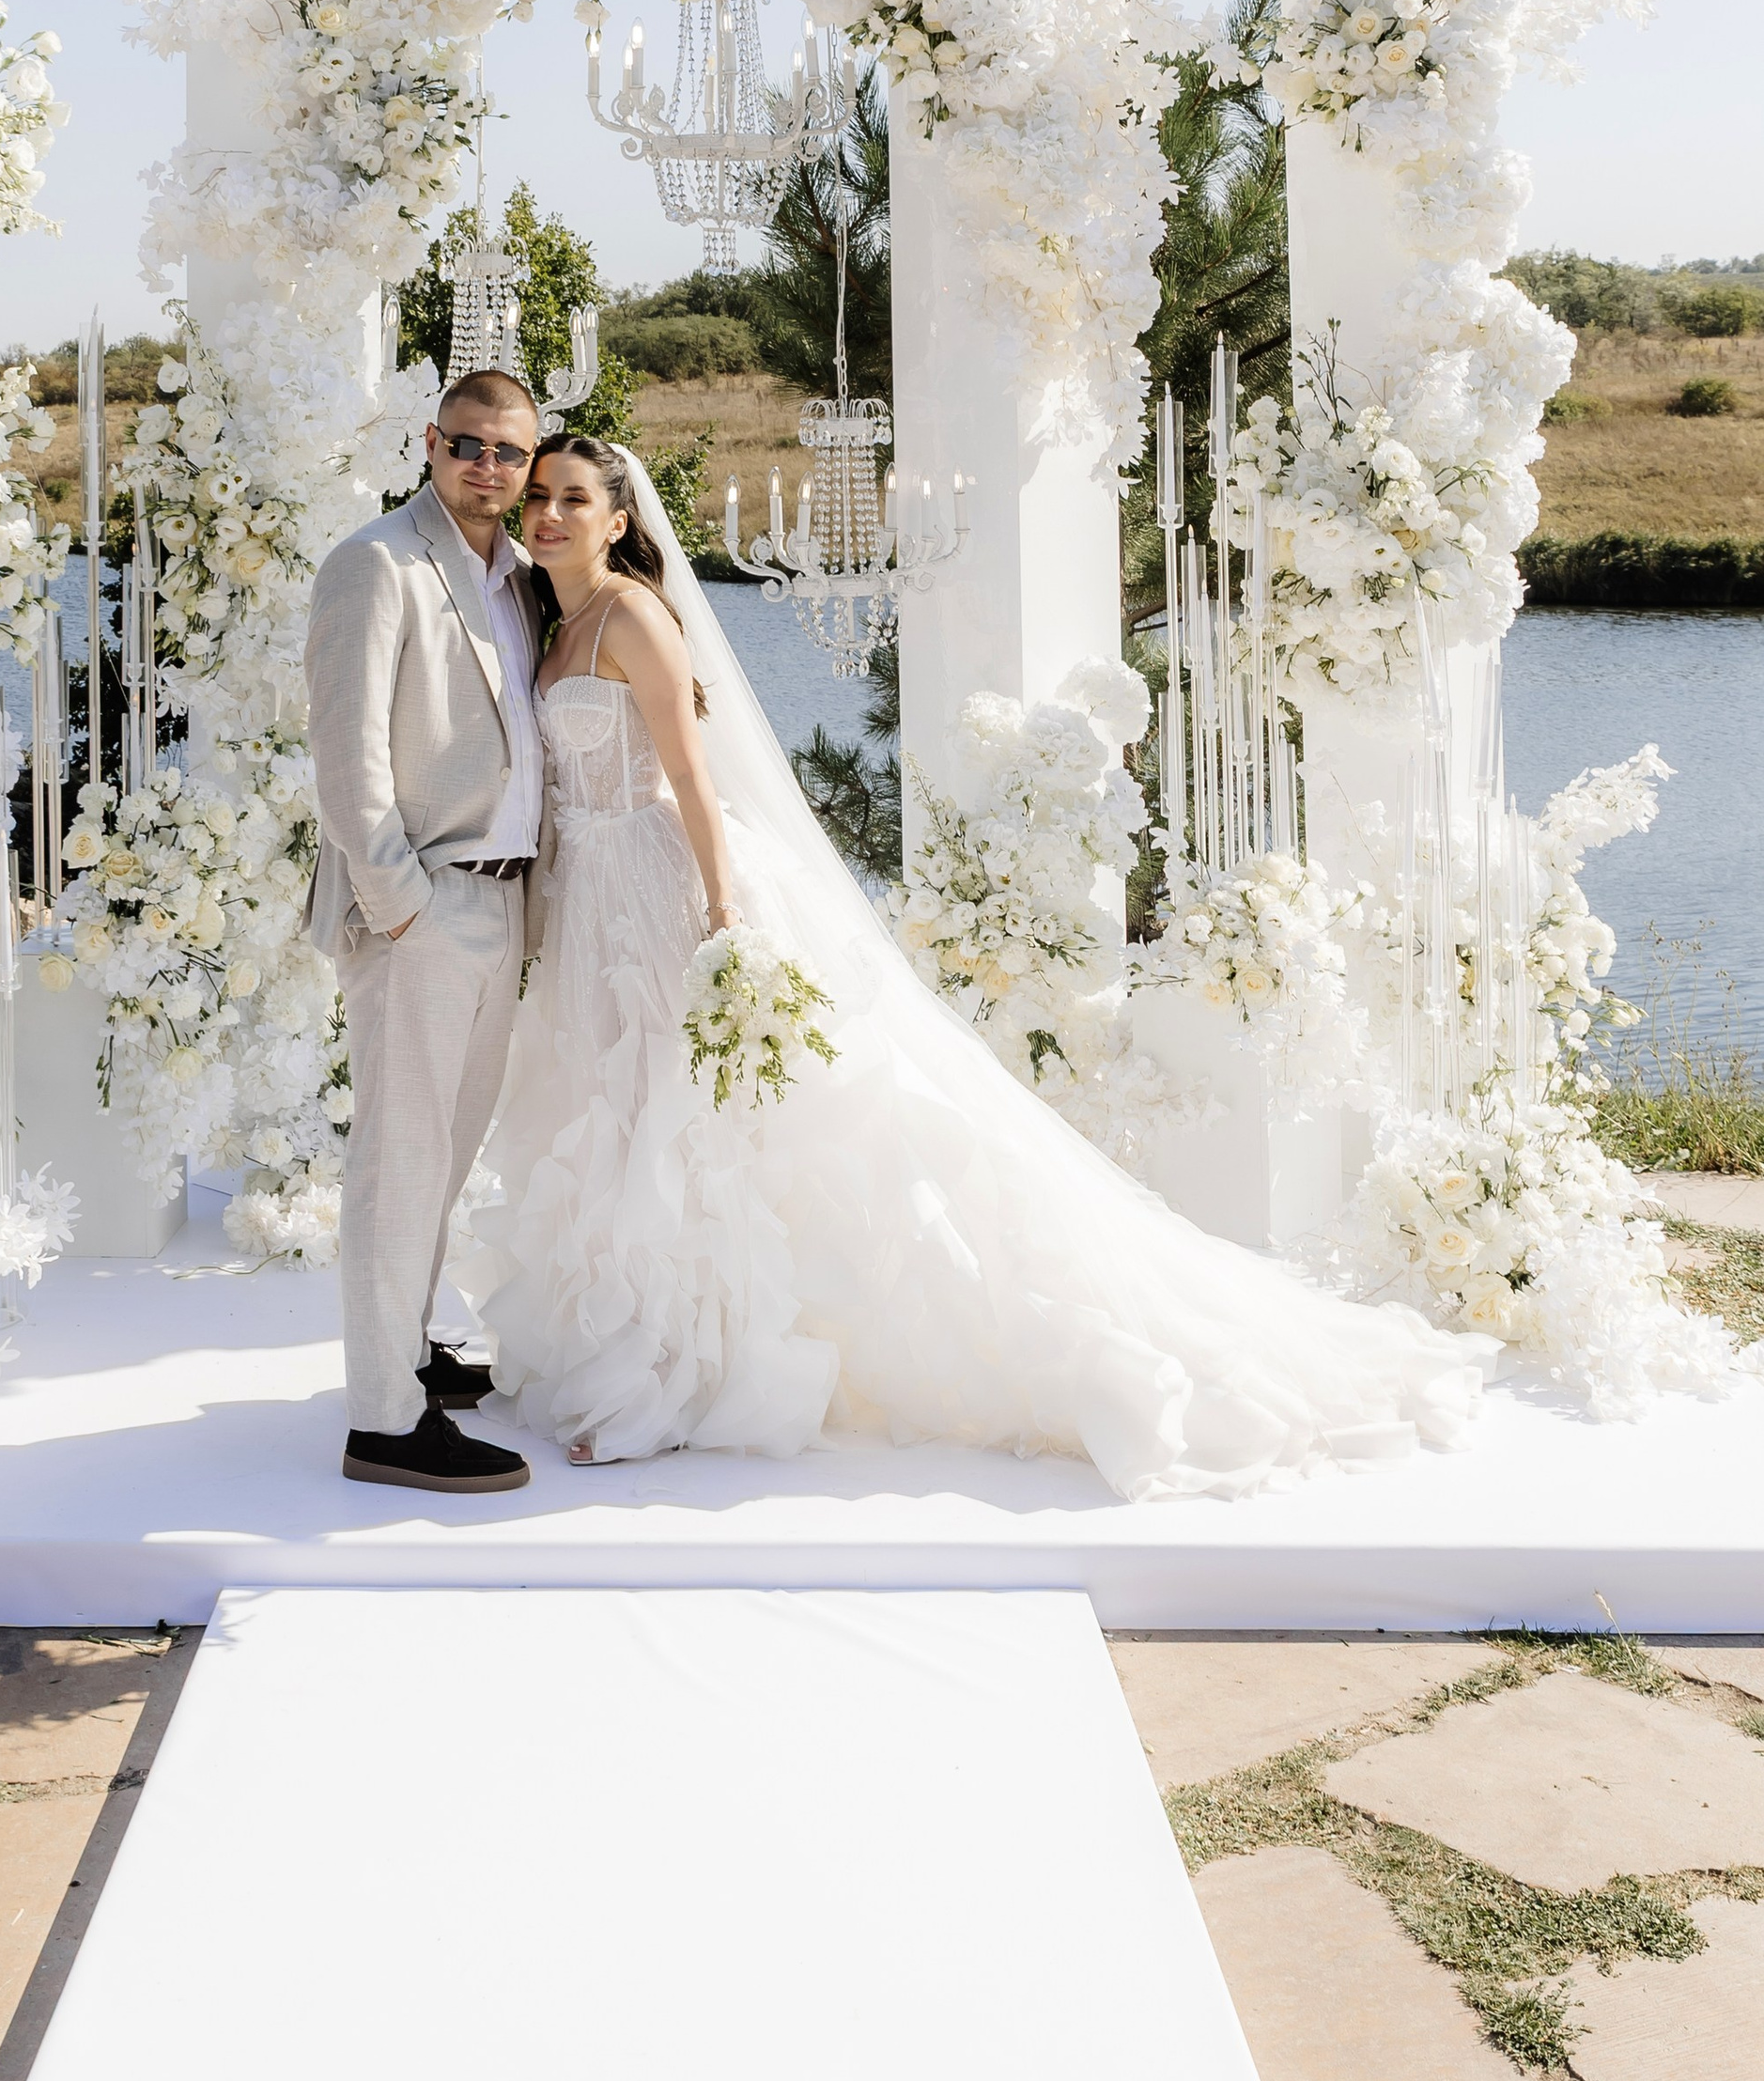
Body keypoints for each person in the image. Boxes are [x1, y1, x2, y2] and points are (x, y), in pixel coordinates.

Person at [456, 432, 1491, 1496]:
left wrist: (721, 910)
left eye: (572, 500)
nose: (546, 515)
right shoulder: (552, 619)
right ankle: (620, 1341)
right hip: (586, 903)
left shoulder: (631, 618)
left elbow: (691, 774)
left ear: (619, 522)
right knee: (613, 1110)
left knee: (677, 1120)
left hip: (654, 888)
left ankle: (674, 1373)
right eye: (538, 497)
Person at [303, 368, 549, 1495]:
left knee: (443, 1155)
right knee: (397, 1162)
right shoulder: (376, 563)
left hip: (500, 900)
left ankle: (403, 1347)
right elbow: (347, 763)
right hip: (424, 905)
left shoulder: (518, 578)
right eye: (467, 446)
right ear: (429, 444)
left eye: (507, 451)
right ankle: (382, 1421)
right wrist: (402, 906)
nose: (487, 468)